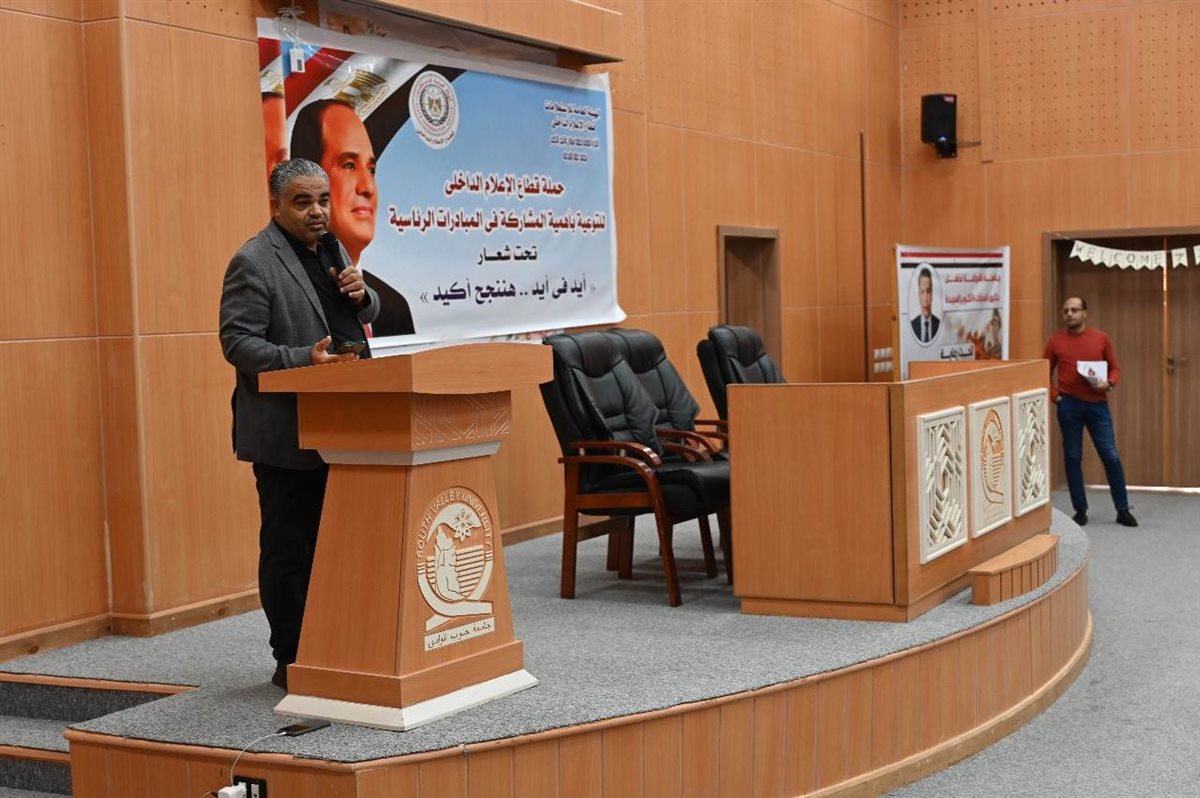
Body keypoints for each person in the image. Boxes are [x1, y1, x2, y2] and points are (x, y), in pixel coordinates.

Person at [219, 159, 381, 690]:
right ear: (276, 206)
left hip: (345, 423)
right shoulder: (253, 261)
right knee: (290, 548)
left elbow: (358, 314)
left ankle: (335, 643)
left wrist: (364, 295)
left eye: (322, 200)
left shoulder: (332, 249)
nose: (317, 212)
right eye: (303, 202)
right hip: (287, 429)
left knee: (336, 545)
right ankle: (289, 656)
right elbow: (238, 344)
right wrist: (301, 359)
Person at [290, 98, 415, 337]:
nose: (368, 187)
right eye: (349, 165)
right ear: (307, 180)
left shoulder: (394, 306)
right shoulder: (287, 286)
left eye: (371, 170)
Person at [1044, 297, 1138, 528]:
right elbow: (1043, 372)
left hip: (1097, 405)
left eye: (1074, 310)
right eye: (1066, 310)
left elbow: (1115, 368)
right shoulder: (1055, 342)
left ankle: (1122, 509)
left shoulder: (1100, 338)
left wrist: (1110, 383)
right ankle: (1080, 510)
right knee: (1073, 457)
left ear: (1085, 313)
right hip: (1069, 405)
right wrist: (1056, 396)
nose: (1069, 314)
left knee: (1110, 455)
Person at [910, 266, 941, 344]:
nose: (925, 297)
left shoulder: (939, 325)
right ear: (918, 295)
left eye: (928, 291)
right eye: (922, 292)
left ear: (932, 294)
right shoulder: (912, 326)